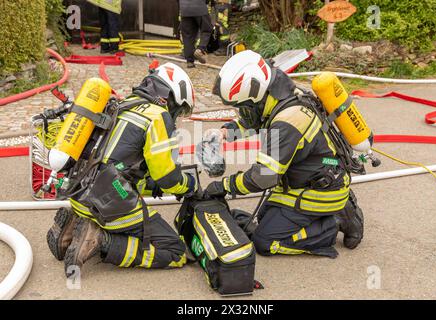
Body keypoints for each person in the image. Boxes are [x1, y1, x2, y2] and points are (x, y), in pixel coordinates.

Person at [205, 50, 364, 258]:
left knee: (265, 242)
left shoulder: (288, 121)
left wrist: (224, 186)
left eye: (243, 107)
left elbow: (264, 177)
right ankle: (338, 207)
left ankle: (334, 222)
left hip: (318, 189)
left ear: (256, 95)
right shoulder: (280, 93)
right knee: (263, 218)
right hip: (308, 176)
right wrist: (224, 133)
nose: (242, 112)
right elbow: (253, 121)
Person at [47, 63, 198, 276]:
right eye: (180, 109)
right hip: (109, 202)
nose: (177, 116)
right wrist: (189, 185)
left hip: (80, 192)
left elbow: (125, 168)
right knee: (175, 251)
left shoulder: (123, 104)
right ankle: (101, 240)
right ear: (171, 97)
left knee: (121, 199)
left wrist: (153, 188)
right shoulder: (158, 117)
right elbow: (167, 177)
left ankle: (75, 224)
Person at [178, 0, 213, 68]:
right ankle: (200, 49)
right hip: (200, 8)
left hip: (184, 10)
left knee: (188, 35)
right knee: (206, 30)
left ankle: (190, 62)